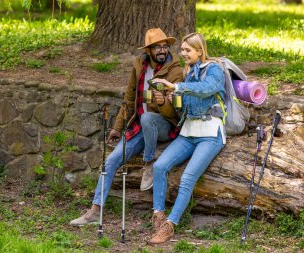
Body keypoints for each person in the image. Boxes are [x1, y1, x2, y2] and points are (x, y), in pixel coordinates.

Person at [70, 28, 184, 226]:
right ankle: (95, 210)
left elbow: (177, 111)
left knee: (149, 117)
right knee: (112, 160)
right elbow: (130, 99)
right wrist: (117, 127)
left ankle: (148, 163)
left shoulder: (175, 71)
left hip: (165, 126)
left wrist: (163, 101)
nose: (162, 51)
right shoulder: (139, 65)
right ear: (148, 50)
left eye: (165, 47)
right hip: (140, 127)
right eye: (158, 47)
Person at [149, 32, 226, 244]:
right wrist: (172, 99)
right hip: (189, 132)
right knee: (159, 166)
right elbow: (186, 105)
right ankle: (158, 215)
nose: (183, 54)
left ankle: (170, 226)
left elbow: (207, 89)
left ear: (200, 51)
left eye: (187, 50)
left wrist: (178, 87)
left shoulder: (214, 69)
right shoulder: (189, 71)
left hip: (210, 134)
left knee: (187, 178)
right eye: (182, 50)